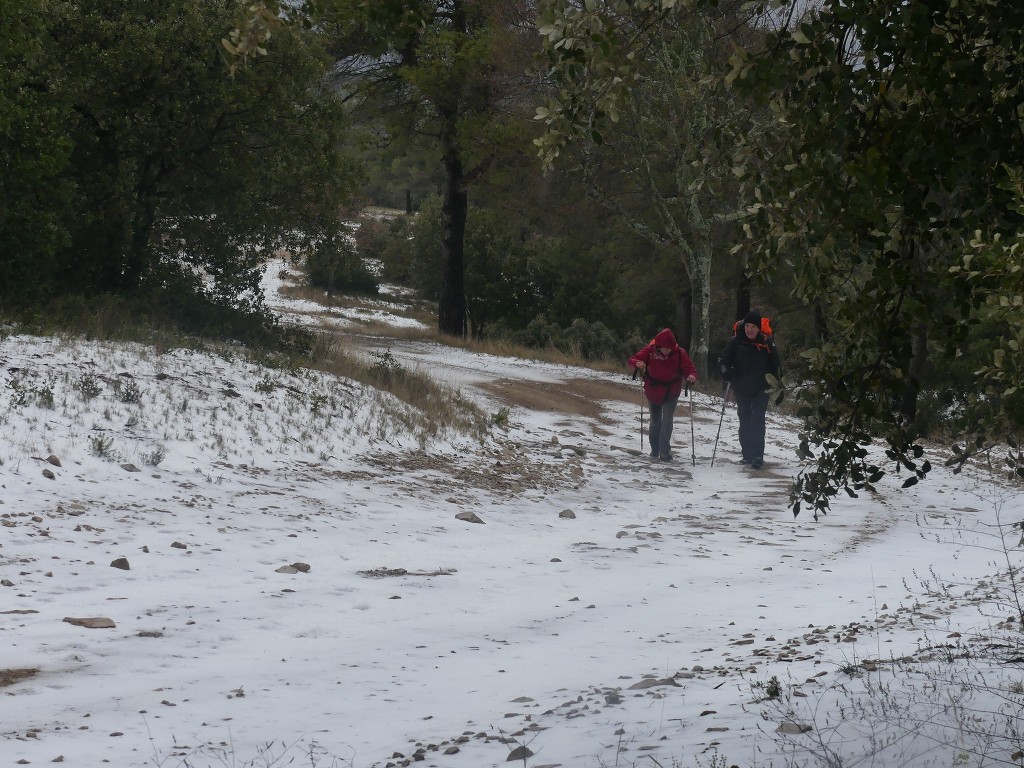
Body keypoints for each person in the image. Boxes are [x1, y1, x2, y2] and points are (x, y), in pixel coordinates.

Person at [718, 309, 781, 470]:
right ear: (744, 326)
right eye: (747, 326)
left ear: (759, 328)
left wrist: (779, 385)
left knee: (758, 419)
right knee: (744, 419)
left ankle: (757, 455)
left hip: (762, 388)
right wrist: (726, 373)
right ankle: (747, 454)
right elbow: (724, 361)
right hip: (742, 388)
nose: (750, 329)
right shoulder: (736, 341)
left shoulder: (766, 342)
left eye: (753, 326)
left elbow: (776, 365)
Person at [628, 328, 698, 462]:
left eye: (669, 348)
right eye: (664, 348)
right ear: (658, 345)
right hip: (653, 390)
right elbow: (632, 359)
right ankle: (655, 449)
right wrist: (638, 363)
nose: (667, 351)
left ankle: (664, 452)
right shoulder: (650, 350)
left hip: (672, 391)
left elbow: (690, 368)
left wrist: (691, 376)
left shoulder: (680, 352)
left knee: (667, 421)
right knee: (655, 422)